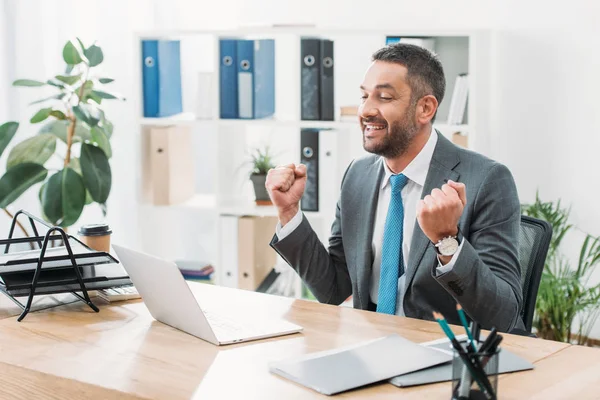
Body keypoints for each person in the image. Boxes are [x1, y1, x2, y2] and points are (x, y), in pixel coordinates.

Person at [266, 43, 525, 333]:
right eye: (364, 96)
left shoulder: (486, 179)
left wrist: (446, 240)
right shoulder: (357, 176)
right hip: (370, 345)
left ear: (425, 108)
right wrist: (289, 212)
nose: (365, 110)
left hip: (443, 353)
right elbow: (336, 290)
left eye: (384, 97)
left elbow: (503, 315)